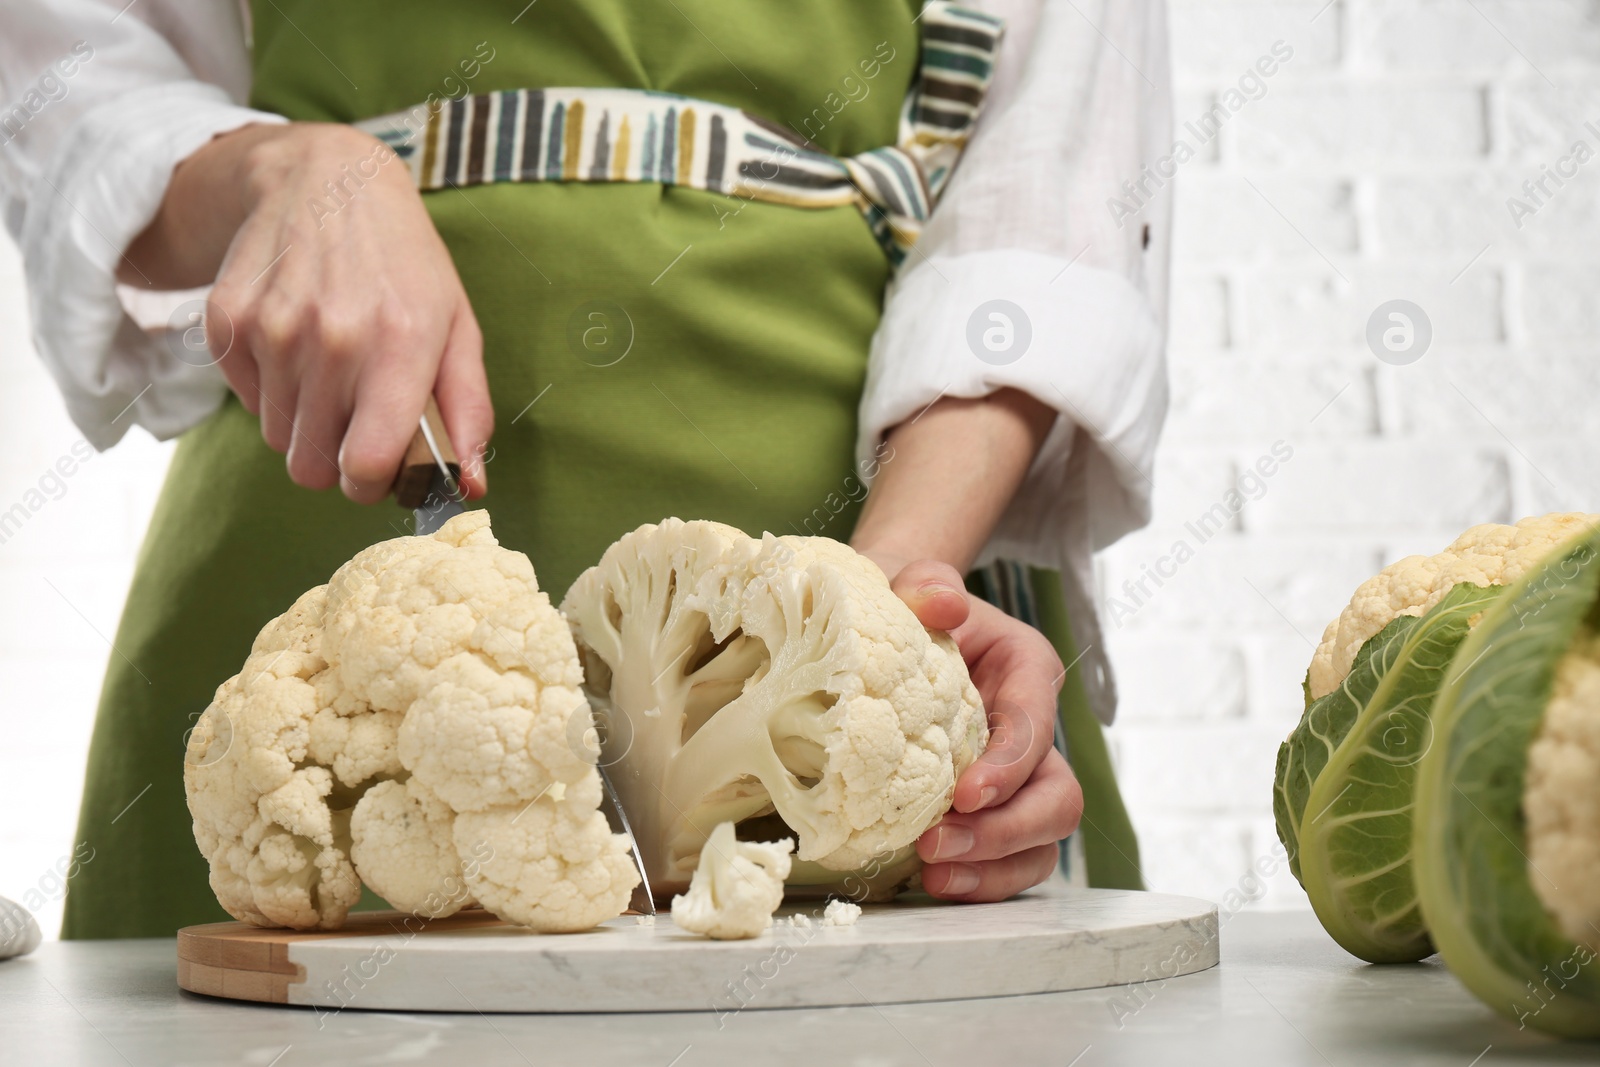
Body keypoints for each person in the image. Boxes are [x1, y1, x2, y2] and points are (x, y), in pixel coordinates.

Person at [0, 0, 1172, 938]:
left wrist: (873, 627)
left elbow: (1044, 209)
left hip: (885, 505)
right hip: (301, 549)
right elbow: (64, 72)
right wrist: (282, 172)